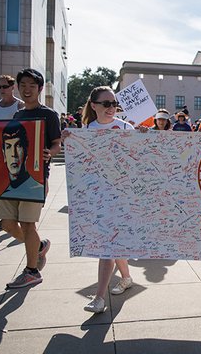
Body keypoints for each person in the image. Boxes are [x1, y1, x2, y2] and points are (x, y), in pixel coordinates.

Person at [62, 86, 135, 313]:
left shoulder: (126, 127)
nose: (111, 108)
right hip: (98, 198)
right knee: (113, 244)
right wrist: (69, 141)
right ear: (93, 106)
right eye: (106, 104)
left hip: (121, 198)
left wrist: (145, 137)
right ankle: (127, 278)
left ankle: (100, 298)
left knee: (107, 247)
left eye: (114, 104)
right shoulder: (86, 130)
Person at [0, 68, 61, 289]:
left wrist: (50, 152)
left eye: (32, 86)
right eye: (23, 85)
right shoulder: (17, 115)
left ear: (40, 89)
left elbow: (56, 142)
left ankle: (32, 271)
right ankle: (39, 247)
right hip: (10, 179)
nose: (27, 90)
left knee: (27, 223)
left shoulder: (49, 115)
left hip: (35, 178)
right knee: (7, 223)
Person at [0, 74, 25, 231]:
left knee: (15, 182)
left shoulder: (20, 106)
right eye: (0, 87)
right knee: (1, 184)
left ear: (12, 87)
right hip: (0, 149)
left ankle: (13, 216)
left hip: (15, 149)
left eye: (5, 86)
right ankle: (4, 218)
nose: (2, 90)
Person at [0, 121, 44, 200]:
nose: (13, 154)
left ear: (26, 151)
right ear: (4, 154)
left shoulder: (37, 191)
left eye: (18, 146)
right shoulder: (4, 194)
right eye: (8, 147)